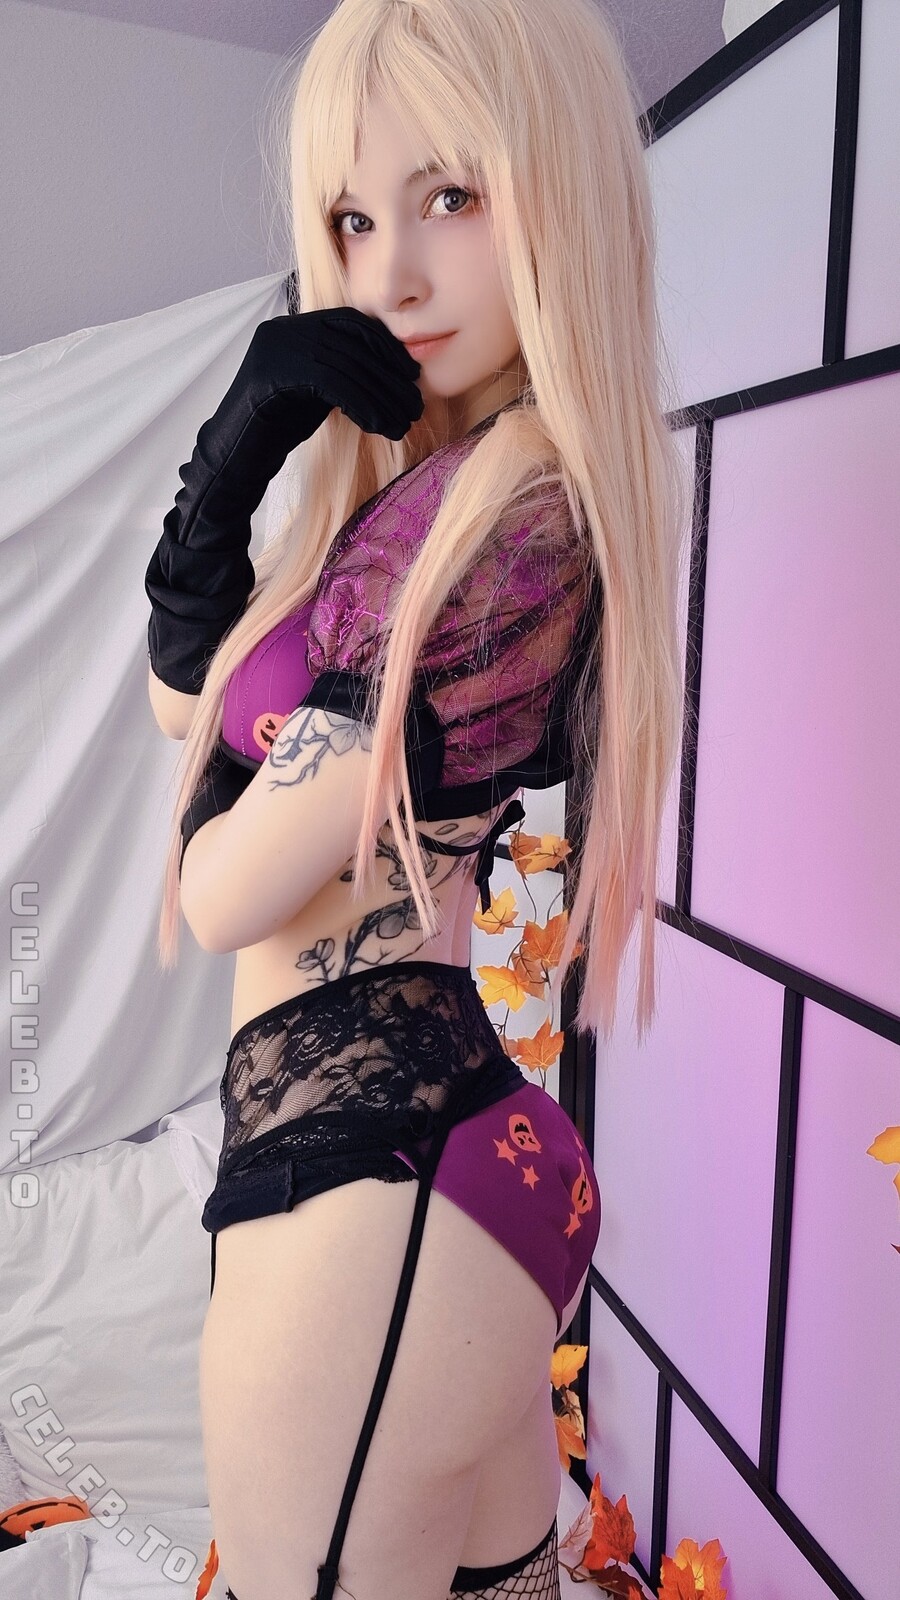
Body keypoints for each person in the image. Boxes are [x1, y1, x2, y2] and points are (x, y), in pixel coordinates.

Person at [144, 1, 689, 1597]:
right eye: (351, 220)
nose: (389, 278)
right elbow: (193, 702)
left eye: (451, 197)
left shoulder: (503, 515)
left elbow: (224, 895)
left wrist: (220, 786)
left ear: (557, 193)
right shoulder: (425, 500)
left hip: (369, 1187)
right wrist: (224, 479)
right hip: (440, 1158)